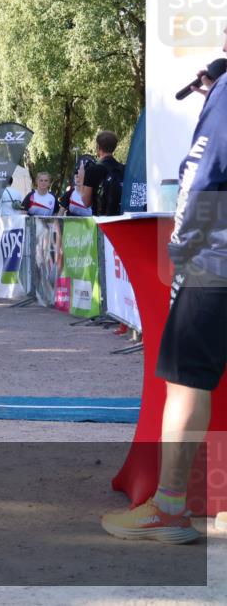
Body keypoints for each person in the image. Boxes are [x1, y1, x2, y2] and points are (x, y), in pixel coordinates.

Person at [101, 30, 227, 544]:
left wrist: (181, 246)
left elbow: (202, 172)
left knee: (185, 379)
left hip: (216, 252)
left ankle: (170, 507)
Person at [93, 131, 124, 216]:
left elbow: (86, 202)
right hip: (120, 218)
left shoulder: (94, 170)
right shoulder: (123, 169)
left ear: (98, 148)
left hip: (101, 220)